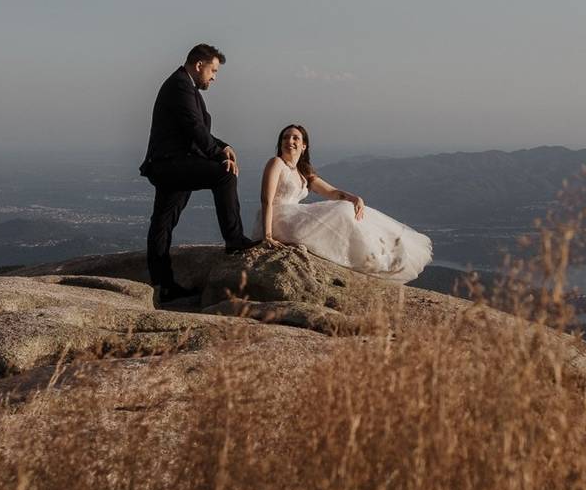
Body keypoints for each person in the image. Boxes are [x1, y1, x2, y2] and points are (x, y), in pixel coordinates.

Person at [139, 44, 260, 302]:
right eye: (213, 70)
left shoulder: (184, 86)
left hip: (169, 164)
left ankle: (164, 285)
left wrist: (222, 145)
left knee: (163, 223)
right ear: (199, 65)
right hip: (171, 164)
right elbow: (194, 127)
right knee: (224, 174)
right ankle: (234, 239)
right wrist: (218, 155)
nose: (214, 77)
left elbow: (198, 129)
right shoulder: (180, 86)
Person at [256, 124, 432, 283]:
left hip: (292, 217)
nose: (290, 141)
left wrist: (354, 198)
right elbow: (266, 200)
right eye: (285, 137)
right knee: (341, 211)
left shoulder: (303, 172)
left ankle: (377, 257)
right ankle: (368, 259)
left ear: (304, 146)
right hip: (277, 217)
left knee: (347, 208)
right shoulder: (276, 163)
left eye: (295, 138)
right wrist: (268, 235)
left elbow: (331, 192)